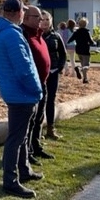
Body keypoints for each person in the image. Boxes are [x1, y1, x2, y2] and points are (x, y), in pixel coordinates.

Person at [0, 0, 43, 199]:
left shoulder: (3, 32)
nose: (24, 14)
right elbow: (24, 69)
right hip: (22, 95)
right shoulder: (11, 35)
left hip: (17, 93)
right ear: (16, 12)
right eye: (23, 11)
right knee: (16, 138)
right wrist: (37, 90)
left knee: (22, 136)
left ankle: (24, 170)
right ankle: (10, 181)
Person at [20, 5, 54, 165]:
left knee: (39, 117)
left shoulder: (39, 34)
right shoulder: (23, 35)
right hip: (31, 85)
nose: (41, 21)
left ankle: (36, 145)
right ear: (26, 18)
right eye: (37, 18)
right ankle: (27, 152)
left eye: (42, 18)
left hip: (43, 83)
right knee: (30, 120)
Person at [40, 11, 66, 140]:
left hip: (53, 72)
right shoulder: (35, 36)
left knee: (50, 100)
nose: (44, 22)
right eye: (42, 19)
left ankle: (50, 128)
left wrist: (59, 68)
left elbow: (63, 54)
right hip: (39, 74)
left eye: (47, 19)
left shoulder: (56, 36)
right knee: (39, 100)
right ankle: (37, 131)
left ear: (51, 21)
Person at [67, 17, 96, 84]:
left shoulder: (76, 32)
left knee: (83, 64)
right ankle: (79, 69)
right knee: (87, 65)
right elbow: (90, 41)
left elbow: (70, 40)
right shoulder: (87, 32)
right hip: (85, 50)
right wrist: (94, 43)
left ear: (79, 24)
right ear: (86, 25)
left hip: (78, 50)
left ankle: (85, 79)